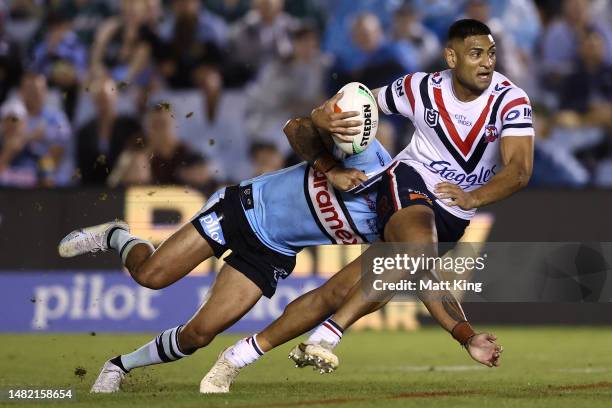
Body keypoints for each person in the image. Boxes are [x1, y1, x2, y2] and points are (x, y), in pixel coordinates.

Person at [201, 18, 532, 391]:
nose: (487, 62)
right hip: (409, 182)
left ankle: (238, 356)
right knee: (416, 251)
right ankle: (328, 334)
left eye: (490, 54)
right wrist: (324, 115)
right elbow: (358, 104)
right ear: (451, 57)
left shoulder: (511, 99)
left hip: (455, 213)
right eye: (476, 54)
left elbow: (519, 170)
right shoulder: (419, 88)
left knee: (342, 291)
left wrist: (466, 335)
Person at [57, 115, 388, 393]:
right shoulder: (366, 152)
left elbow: (385, 280)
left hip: (272, 253)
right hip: (242, 208)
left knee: (198, 335)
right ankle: (117, 235)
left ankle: (120, 365)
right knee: (150, 276)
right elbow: (294, 127)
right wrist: (330, 169)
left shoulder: (399, 227)